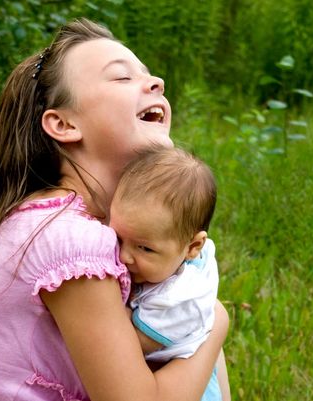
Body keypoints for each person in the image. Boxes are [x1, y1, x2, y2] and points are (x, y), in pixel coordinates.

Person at [0, 17, 229, 401]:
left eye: (150, 74)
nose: (157, 83)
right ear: (64, 124)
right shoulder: (71, 240)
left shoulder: (64, 224)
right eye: (122, 78)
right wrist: (214, 321)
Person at [109, 147, 228, 401]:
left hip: (191, 388)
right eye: (118, 237)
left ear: (193, 247)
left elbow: (136, 343)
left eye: (144, 248)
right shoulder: (170, 253)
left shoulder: (181, 299)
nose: (123, 256)